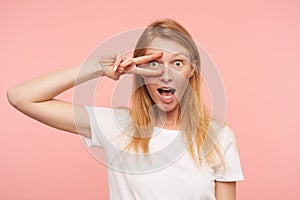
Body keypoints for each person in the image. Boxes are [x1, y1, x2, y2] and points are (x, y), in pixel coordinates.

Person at [7, 18, 244, 199]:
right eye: (153, 63)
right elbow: (21, 97)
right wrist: (98, 67)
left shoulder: (219, 137)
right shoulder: (117, 126)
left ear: (192, 70)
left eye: (178, 63)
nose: (166, 74)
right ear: (139, 72)